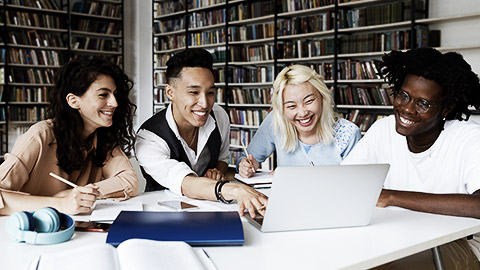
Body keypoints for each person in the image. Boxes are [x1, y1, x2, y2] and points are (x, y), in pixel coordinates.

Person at [342, 47, 480, 269]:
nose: (407, 109)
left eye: (422, 103)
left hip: (457, 244)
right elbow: (344, 179)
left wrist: (392, 197)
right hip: (396, 236)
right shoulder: (382, 130)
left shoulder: (468, 137)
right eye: (403, 96)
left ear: (446, 109)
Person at [135, 48, 267, 217]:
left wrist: (217, 171)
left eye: (210, 92)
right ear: (170, 92)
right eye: (194, 92)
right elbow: (186, 183)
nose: (205, 103)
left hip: (211, 211)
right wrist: (235, 189)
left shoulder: (219, 116)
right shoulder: (148, 138)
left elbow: (222, 159)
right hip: (163, 215)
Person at [0, 58, 139, 216]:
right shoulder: (41, 134)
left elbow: (129, 181)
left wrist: (84, 194)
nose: (114, 103)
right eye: (103, 95)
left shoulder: (105, 138)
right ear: (73, 101)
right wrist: (60, 203)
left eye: (114, 95)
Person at [238, 65, 361, 178]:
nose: (302, 113)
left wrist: (294, 177)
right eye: (291, 106)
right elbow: (245, 159)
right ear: (282, 110)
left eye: (309, 101)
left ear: (323, 98)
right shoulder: (275, 121)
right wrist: (244, 166)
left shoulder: (349, 133)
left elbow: (358, 184)